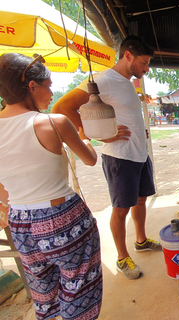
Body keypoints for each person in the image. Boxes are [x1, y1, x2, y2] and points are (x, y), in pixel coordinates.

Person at [0, 53, 102, 320]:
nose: (52, 91)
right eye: (48, 85)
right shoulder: (53, 123)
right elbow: (90, 159)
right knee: (78, 288)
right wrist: (85, 138)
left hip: (20, 222)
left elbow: (3, 189)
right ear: (31, 87)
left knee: (43, 290)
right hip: (63, 219)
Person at [52, 36, 161, 280]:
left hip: (139, 154)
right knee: (121, 209)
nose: (145, 69)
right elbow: (62, 108)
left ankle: (141, 241)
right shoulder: (104, 79)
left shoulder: (126, 82)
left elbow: (122, 115)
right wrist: (93, 135)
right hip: (120, 159)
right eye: (143, 63)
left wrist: (138, 130)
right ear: (128, 56)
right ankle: (122, 258)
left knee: (141, 200)